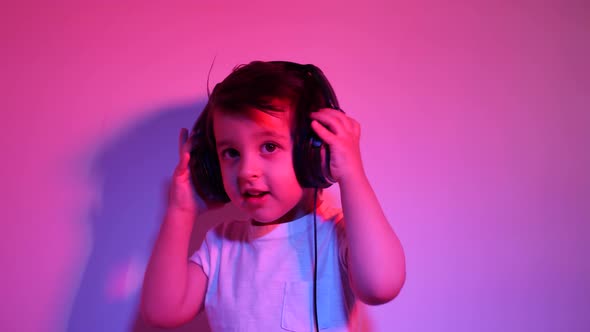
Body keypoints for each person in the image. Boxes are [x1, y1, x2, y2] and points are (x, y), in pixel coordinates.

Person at [140, 60, 406, 331]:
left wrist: (352, 174)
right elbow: (163, 311)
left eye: (269, 146)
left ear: (311, 151)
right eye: (231, 152)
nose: (246, 171)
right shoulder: (221, 244)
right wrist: (180, 212)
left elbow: (381, 285)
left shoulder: (335, 235)